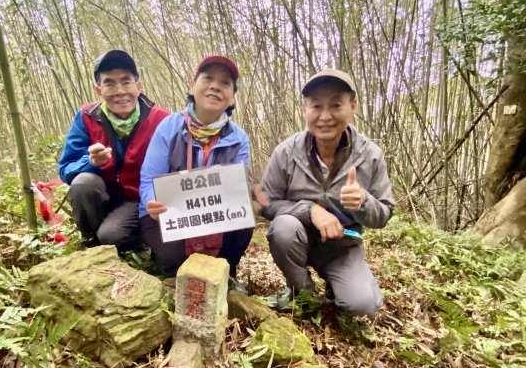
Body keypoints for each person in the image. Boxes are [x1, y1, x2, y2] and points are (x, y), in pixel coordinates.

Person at [261, 69, 394, 318]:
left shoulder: (371, 155)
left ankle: (339, 286)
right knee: (284, 227)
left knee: (362, 307)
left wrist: (364, 202)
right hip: (297, 240)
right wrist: (309, 209)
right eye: (316, 106)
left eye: (335, 105)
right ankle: (301, 290)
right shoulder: (286, 152)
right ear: (305, 110)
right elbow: (266, 203)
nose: (325, 116)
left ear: (352, 106)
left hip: (342, 247)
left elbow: (385, 213)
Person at [139, 55, 253, 291]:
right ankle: (170, 268)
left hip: (213, 213)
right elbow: (149, 177)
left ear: (232, 95)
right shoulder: (169, 126)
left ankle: (227, 272)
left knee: (246, 214)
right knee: (174, 262)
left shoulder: (239, 138)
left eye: (225, 83)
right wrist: (151, 200)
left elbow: (234, 188)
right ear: (193, 86)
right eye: (208, 78)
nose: (215, 86)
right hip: (168, 214)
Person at [58, 50, 169, 251]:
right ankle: (91, 245)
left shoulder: (161, 120)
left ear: (138, 86)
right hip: (102, 198)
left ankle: (130, 240)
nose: (120, 91)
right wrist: (90, 163)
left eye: (126, 82)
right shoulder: (86, 116)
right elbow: (66, 169)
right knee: (83, 183)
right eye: (109, 83)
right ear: (99, 90)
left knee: (111, 235)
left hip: (138, 201)